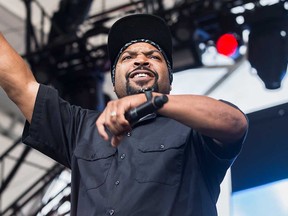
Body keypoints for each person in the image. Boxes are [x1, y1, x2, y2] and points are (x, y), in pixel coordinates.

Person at [0, 14, 248, 216]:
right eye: (128, 57)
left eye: (154, 57)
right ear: (114, 81)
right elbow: (22, 86)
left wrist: (150, 100)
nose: (141, 60)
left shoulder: (193, 129)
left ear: (169, 80)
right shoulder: (80, 128)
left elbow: (235, 123)